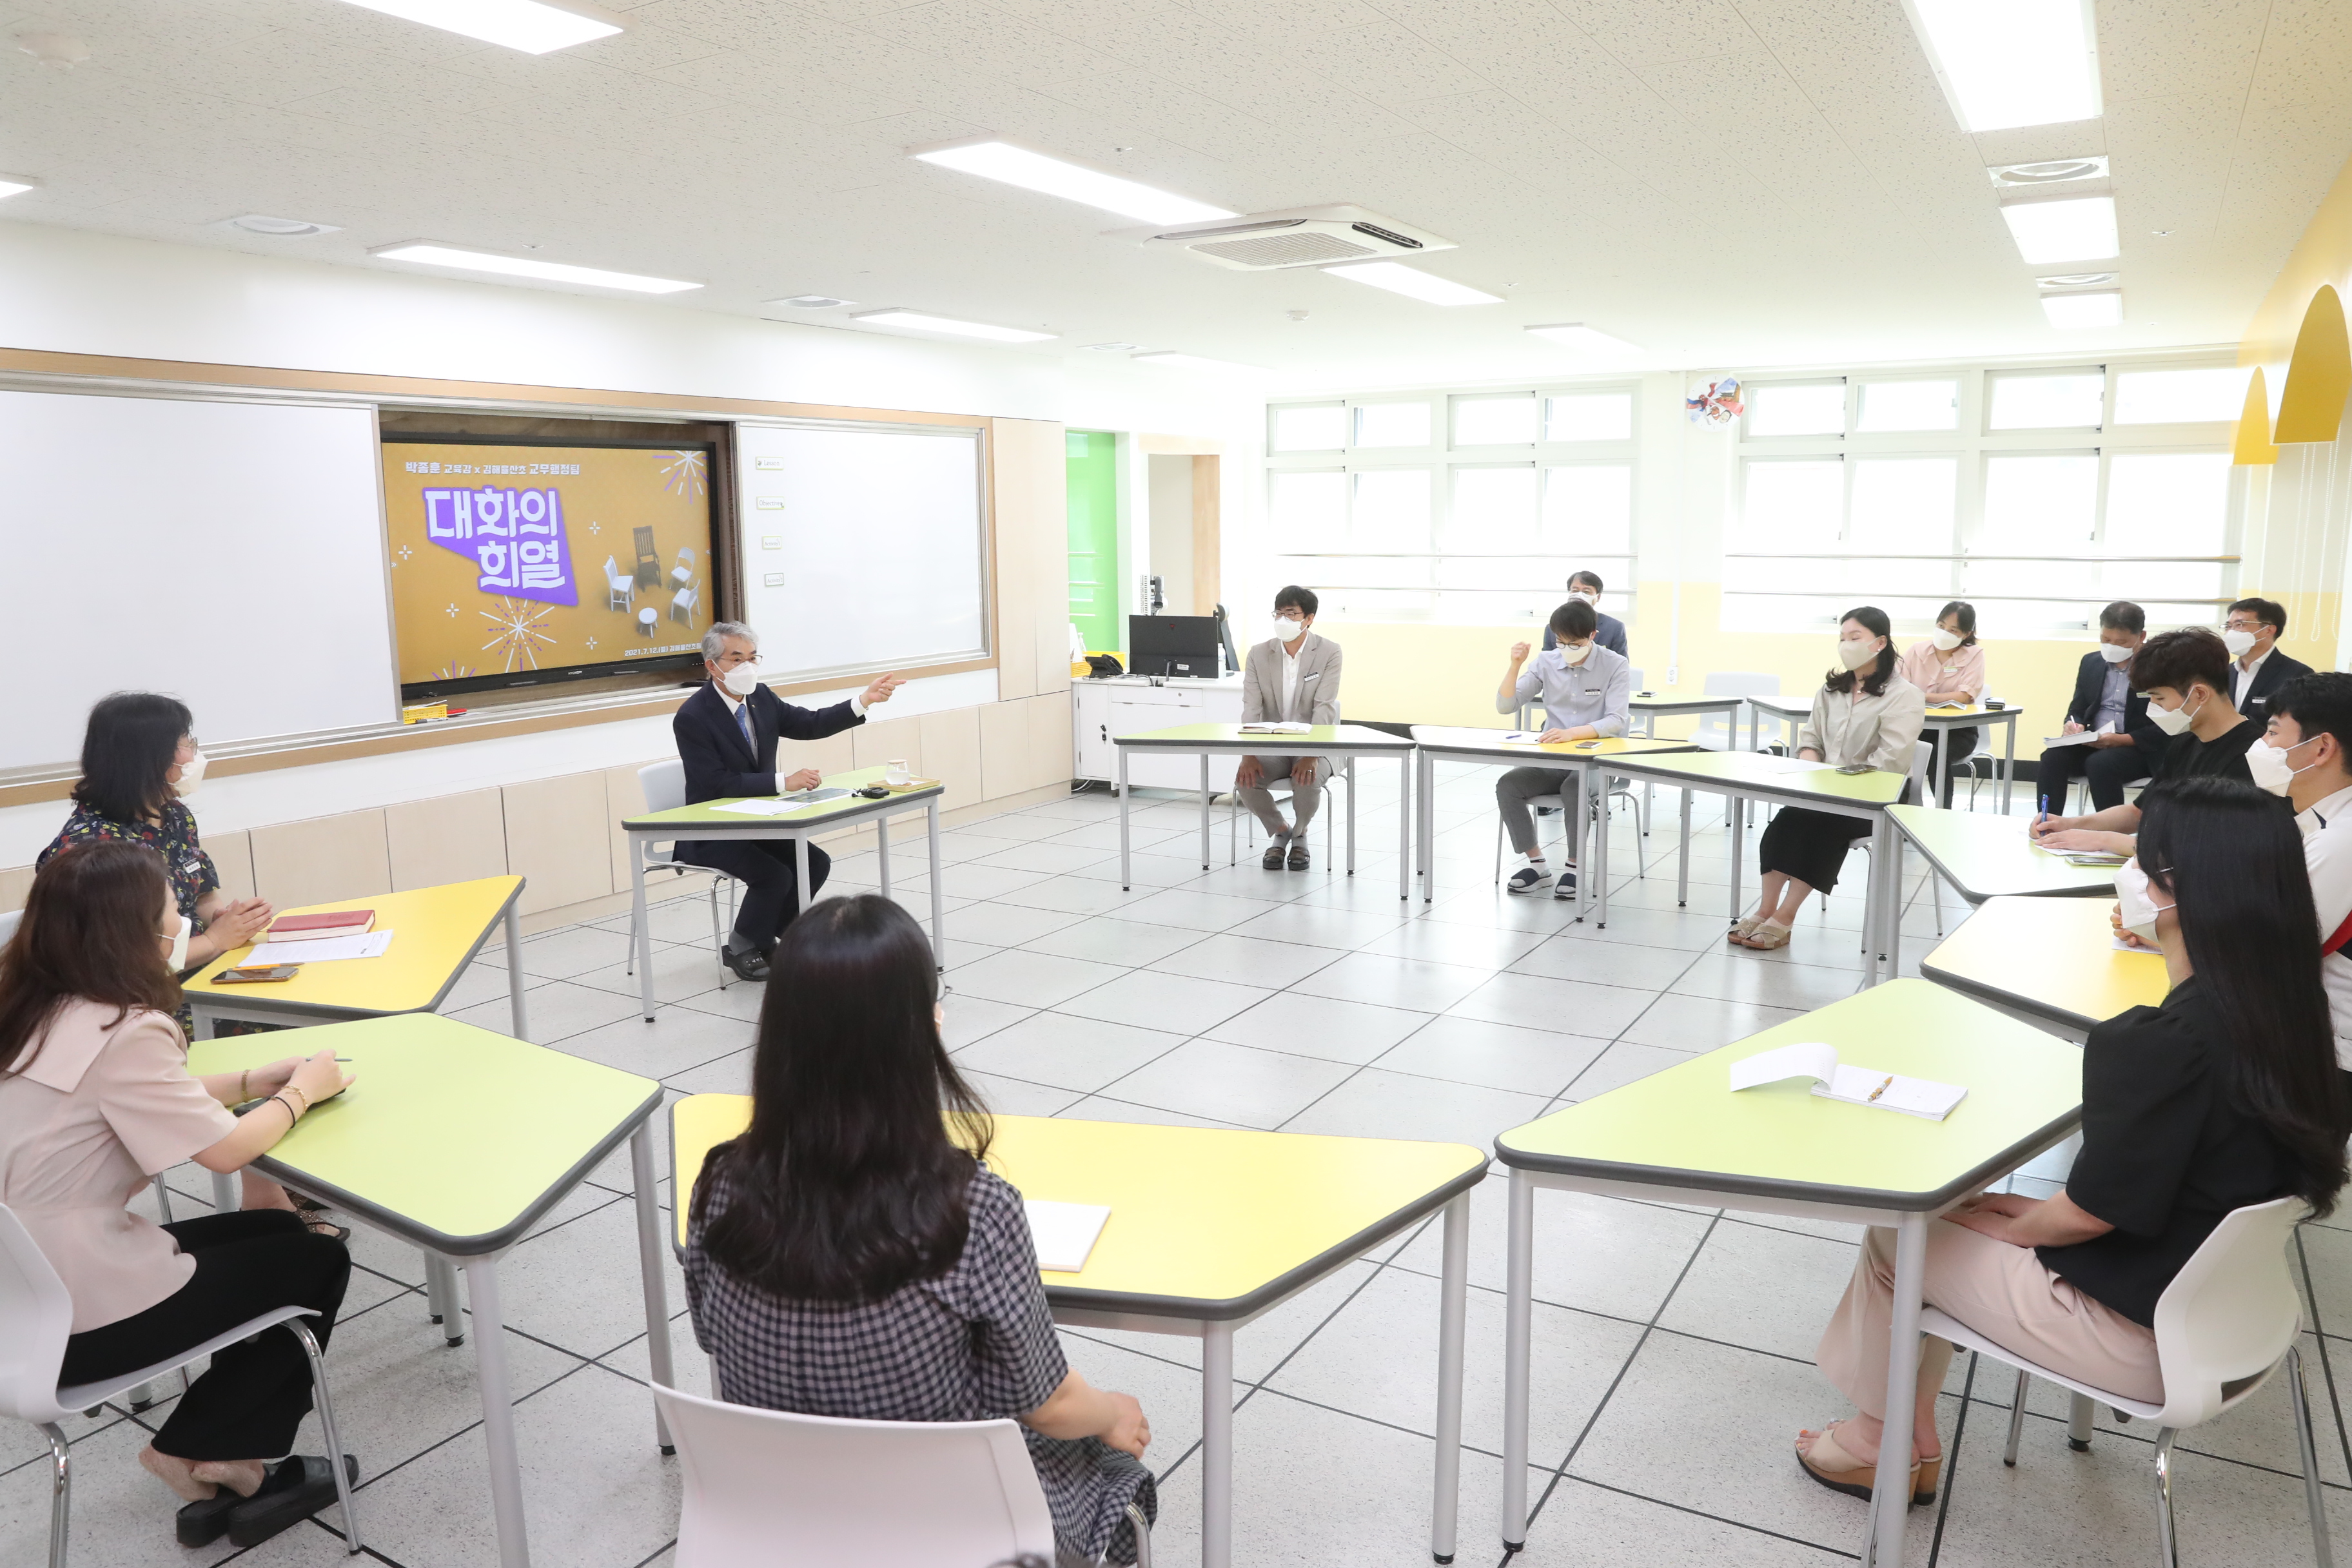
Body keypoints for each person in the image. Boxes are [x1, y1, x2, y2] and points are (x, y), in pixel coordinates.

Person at [1796, 776, 2350, 1509]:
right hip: (2239, 1311)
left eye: (2139, 859)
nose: (2125, 875)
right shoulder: (2303, 1018)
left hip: (2145, 1340)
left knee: (1905, 1233)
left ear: (2174, 891)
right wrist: (2017, 1215)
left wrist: (2015, 1218)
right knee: (1966, 1212)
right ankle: (1905, 1435)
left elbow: (2089, 1212)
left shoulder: (2164, 1042)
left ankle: (1880, 1441)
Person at [683, 894, 1155, 1566]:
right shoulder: (972, 1209)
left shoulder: (719, 1185)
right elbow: (1045, 1401)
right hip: (942, 1526)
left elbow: (708, 1334)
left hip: (777, 1517)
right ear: (917, 1033)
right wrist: (1112, 1412)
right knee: (1113, 1460)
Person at [0, 840, 357, 1548]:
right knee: (318, 1259)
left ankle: (232, 1453)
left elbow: (127, 1098)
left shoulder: (34, 1011)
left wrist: (252, 1081)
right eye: (169, 907)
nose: (180, 921)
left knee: (280, 1242)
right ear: (131, 930)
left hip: (20, 1298)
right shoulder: (127, 1027)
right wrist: (301, 1090)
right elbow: (223, 1150)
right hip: (79, 1320)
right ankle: (199, 1447)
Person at [35, 693, 314, 1226]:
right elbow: (115, 964)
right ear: (150, 756)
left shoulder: (173, 816)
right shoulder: (92, 851)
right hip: (136, 1001)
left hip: (195, 972)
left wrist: (230, 918)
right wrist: (216, 942)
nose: (192, 753)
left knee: (292, 997)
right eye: (185, 742)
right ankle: (267, 1192)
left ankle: (282, 1164)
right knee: (253, 1030)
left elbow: (202, 895)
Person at [672, 622, 905, 981]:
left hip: (758, 820)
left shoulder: (761, 697)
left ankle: (769, 934)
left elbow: (810, 724)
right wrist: (783, 781)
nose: (746, 667)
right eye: (736, 659)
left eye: (752, 658)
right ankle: (741, 945)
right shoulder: (692, 716)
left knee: (814, 862)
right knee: (774, 875)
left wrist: (864, 701)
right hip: (711, 828)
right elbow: (715, 782)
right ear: (711, 665)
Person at [1730, 607, 1923, 951]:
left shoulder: (1904, 694)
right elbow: (1811, 741)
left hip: (1877, 794)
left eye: (1855, 638)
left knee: (1822, 826)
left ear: (1880, 643)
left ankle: (1786, 918)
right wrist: (1811, 771)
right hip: (1825, 788)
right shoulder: (1831, 689)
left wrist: (1837, 784)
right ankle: (1765, 909)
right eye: (1843, 638)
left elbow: (1891, 760)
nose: (1846, 645)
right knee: (1787, 820)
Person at [2030, 627, 2262, 859]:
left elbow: (2202, 849)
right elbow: (2138, 812)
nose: (2153, 708)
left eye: (2159, 698)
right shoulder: (2186, 742)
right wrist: (2070, 824)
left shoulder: (2251, 756)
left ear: (2200, 694)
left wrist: (2104, 840)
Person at [1496, 598, 1632, 898]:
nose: (1568, 649)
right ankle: (1537, 865)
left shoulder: (1615, 665)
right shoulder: (1546, 662)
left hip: (1599, 761)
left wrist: (1572, 733)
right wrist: (1515, 665)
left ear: (1592, 636)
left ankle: (1573, 867)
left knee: (1576, 788)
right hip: (1555, 759)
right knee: (1508, 785)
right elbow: (1506, 705)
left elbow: (1616, 721)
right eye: (1561, 642)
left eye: (1576, 643)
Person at [1234, 586, 1343, 871]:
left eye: (1291, 614)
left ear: (1309, 618)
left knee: (1306, 779)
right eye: (1279, 613)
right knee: (1245, 781)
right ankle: (1281, 830)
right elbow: (1252, 707)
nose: (1283, 620)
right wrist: (1249, 754)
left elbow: (1325, 706)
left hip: (1317, 744)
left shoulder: (1330, 652)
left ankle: (1301, 834)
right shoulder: (1259, 654)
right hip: (1274, 744)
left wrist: (1312, 753)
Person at [2034, 602, 2160, 818]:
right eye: (2106, 639)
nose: (2112, 646)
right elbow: (2078, 707)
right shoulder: (2091, 662)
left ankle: (2110, 830)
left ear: (2141, 637)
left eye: (2121, 642)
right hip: (2094, 740)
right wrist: (2073, 724)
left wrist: (2121, 740)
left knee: (2101, 763)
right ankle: (2047, 823)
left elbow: (2164, 727)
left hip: (2139, 747)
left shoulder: (2159, 667)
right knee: (2052, 757)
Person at [1898, 601, 1984, 805]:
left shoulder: (1975, 655)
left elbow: (1964, 696)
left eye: (1953, 630)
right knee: (1899, 749)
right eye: (1941, 626)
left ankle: (1943, 812)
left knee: (1937, 754)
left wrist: (1924, 697)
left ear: (1966, 634)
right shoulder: (1916, 651)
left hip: (1959, 731)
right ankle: (1902, 810)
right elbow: (1899, 688)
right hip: (1920, 725)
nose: (1944, 632)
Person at [2223, 596, 2311, 723]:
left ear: (2268, 630)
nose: (2231, 632)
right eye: (2228, 626)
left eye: (2240, 625)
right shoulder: (2223, 673)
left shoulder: (2297, 675)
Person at [1540, 569, 1629, 660]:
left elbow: (1622, 665)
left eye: (1586, 592)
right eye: (1575, 591)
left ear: (1598, 597)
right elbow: (1546, 662)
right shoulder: (1553, 628)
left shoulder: (1614, 628)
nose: (1579, 595)